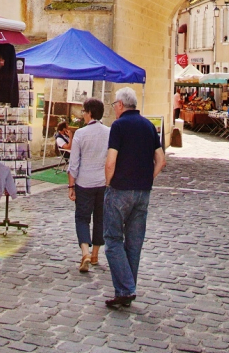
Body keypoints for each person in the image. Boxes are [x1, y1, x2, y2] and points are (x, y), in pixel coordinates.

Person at [103, 87, 166, 309]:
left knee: (112, 239)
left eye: (114, 105)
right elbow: (161, 160)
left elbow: (111, 161)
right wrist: (149, 177)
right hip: (143, 191)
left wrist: (108, 182)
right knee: (134, 242)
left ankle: (127, 288)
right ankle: (125, 290)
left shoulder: (118, 126)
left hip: (120, 189)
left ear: (120, 104)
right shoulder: (149, 125)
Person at [67, 98, 109, 273]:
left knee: (82, 218)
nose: (83, 114)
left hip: (84, 183)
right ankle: (95, 254)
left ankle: (85, 251)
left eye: (84, 111)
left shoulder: (81, 134)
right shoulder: (109, 132)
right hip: (103, 182)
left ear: (90, 113)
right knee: (100, 218)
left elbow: (73, 163)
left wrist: (71, 186)